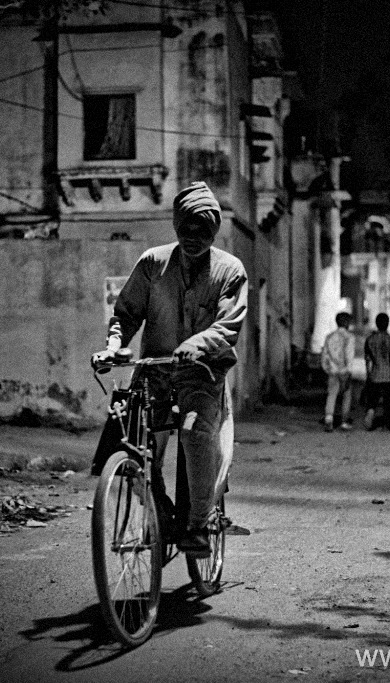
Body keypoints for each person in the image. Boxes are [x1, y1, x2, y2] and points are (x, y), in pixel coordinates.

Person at [91, 181, 248, 558]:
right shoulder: (152, 264)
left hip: (203, 374)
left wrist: (195, 346)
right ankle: (158, 511)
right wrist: (114, 347)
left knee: (195, 432)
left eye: (203, 230)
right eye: (186, 227)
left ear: (214, 230)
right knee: (132, 443)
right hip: (154, 372)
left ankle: (198, 525)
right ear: (176, 225)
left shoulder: (230, 271)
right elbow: (126, 315)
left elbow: (228, 327)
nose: (193, 237)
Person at [363, 312, 390, 430]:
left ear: (376, 324)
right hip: (388, 375)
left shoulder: (370, 340)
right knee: (388, 400)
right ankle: (387, 420)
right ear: (388, 324)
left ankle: (370, 411)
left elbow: (367, 359)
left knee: (373, 398)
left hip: (375, 373)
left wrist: (368, 374)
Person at [321, 311, 355, 432]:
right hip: (344, 371)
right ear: (347, 323)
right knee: (346, 395)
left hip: (332, 371)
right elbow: (349, 356)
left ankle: (328, 419)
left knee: (331, 395)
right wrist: (348, 370)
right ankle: (344, 421)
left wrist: (327, 368)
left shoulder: (329, 337)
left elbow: (324, 355)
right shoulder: (349, 337)